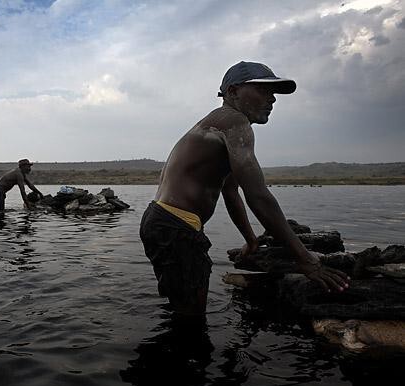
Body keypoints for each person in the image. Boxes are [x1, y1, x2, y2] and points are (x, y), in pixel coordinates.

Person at [139, 61, 350, 315]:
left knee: (183, 307)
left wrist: (250, 240)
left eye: (274, 93)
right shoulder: (234, 121)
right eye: (263, 90)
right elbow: (259, 197)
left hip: (163, 222)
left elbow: (231, 192)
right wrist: (305, 259)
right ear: (233, 92)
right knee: (190, 323)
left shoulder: (217, 125)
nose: (272, 99)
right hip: (175, 227)